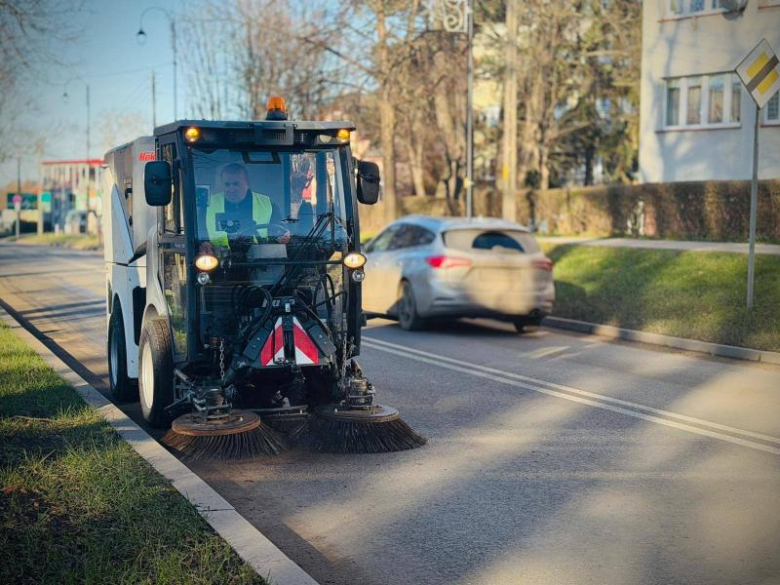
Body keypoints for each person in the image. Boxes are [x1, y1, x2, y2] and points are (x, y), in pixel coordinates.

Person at [200, 163, 290, 254]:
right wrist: (203, 243)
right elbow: (198, 232)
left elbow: (280, 231)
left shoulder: (267, 204)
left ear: (247, 184)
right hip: (218, 261)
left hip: (260, 260)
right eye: (227, 185)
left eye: (236, 184)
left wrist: (283, 237)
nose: (231, 189)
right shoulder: (208, 204)